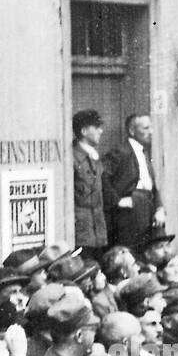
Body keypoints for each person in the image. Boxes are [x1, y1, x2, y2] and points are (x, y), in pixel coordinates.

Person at [102, 114, 166, 249]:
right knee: (133, 250)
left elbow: (152, 185)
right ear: (132, 131)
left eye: (151, 128)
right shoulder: (120, 152)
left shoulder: (145, 152)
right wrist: (117, 201)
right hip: (130, 213)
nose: (151, 132)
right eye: (146, 128)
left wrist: (160, 208)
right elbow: (102, 177)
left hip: (148, 207)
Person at [72, 109, 109, 257]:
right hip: (82, 231)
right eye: (97, 127)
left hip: (98, 231)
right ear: (84, 131)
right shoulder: (73, 158)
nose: (101, 131)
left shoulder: (94, 157)